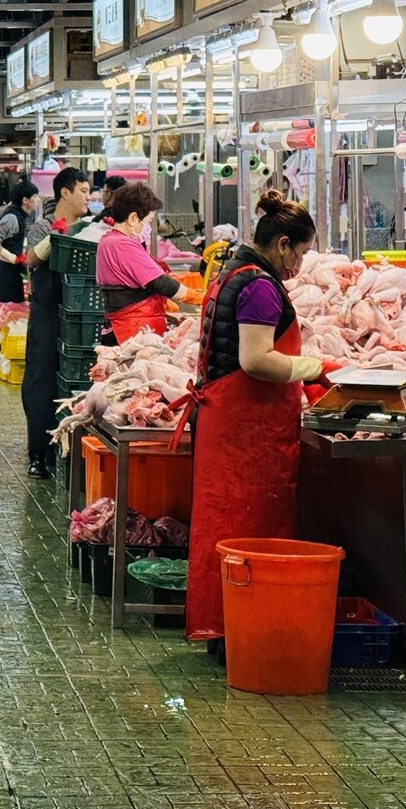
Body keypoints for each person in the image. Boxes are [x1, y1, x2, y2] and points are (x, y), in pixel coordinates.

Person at [185, 191, 337, 645]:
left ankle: (228, 622)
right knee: (244, 529)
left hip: (229, 425)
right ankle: (241, 625)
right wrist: (317, 368)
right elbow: (256, 361)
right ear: (284, 244)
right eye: (303, 253)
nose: (301, 265)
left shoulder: (233, 269)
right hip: (244, 434)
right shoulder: (258, 286)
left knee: (223, 527)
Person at [20, 168, 92, 477]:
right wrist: (56, 236)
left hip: (80, 318)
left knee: (78, 382)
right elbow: (31, 259)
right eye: (84, 191)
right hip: (48, 315)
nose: (88, 197)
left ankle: (75, 451)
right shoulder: (42, 227)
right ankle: (39, 451)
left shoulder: (90, 229)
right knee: (41, 381)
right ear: (66, 193)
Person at [97, 183, 201, 343]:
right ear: (133, 218)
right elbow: (162, 283)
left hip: (126, 327)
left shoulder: (109, 240)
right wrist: (200, 297)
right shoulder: (122, 245)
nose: (147, 227)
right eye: (147, 221)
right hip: (131, 331)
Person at [0, 181, 38, 305]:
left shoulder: (21, 216)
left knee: (12, 313)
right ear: (25, 200)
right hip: (6, 273)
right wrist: (12, 258)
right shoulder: (12, 218)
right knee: (4, 313)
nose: (38, 200)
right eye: (35, 197)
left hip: (13, 272)